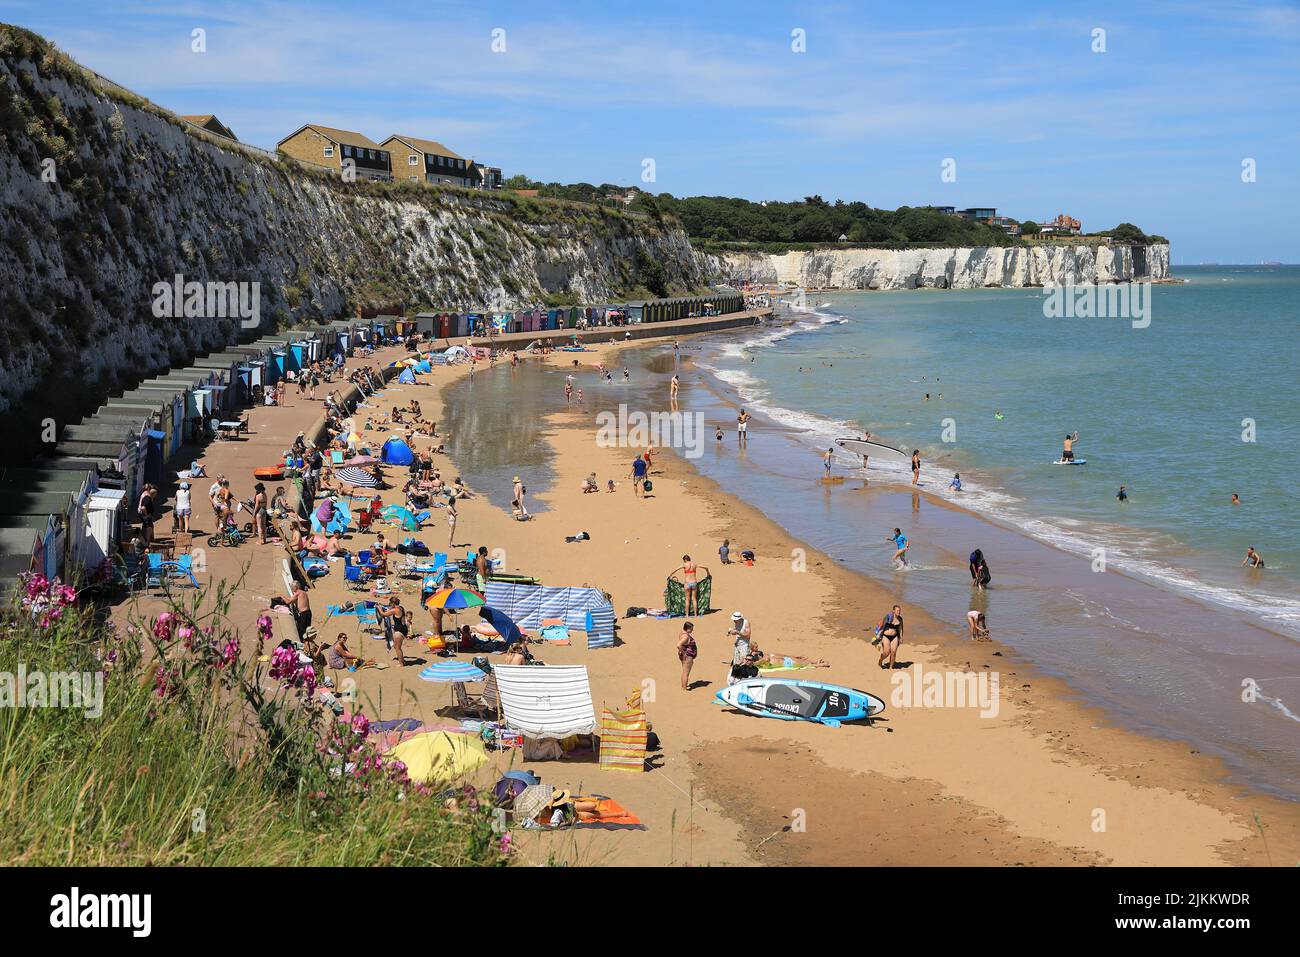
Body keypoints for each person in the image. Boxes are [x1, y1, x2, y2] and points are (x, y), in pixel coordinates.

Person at [877, 605, 903, 669]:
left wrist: (901, 637)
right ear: (893, 611)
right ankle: (880, 660)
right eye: (897, 610)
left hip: (895, 637)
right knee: (886, 652)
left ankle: (891, 667)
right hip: (886, 636)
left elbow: (901, 628)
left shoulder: (900, 619)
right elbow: (882, 625)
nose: (899, 612)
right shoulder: (888, 616)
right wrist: (879, 634)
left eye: (899, 611)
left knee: (893, 652)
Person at [676, 621, 698, 691]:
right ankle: (684, 688)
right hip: (687, 656)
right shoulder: (685, 636)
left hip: (683, 655)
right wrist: (684, 653)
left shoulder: (682, 632)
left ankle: (683, 686)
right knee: (686, 673)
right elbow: (678, 645)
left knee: (684, 671)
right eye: (691, 629)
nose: (692, 630)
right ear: (688, 629)